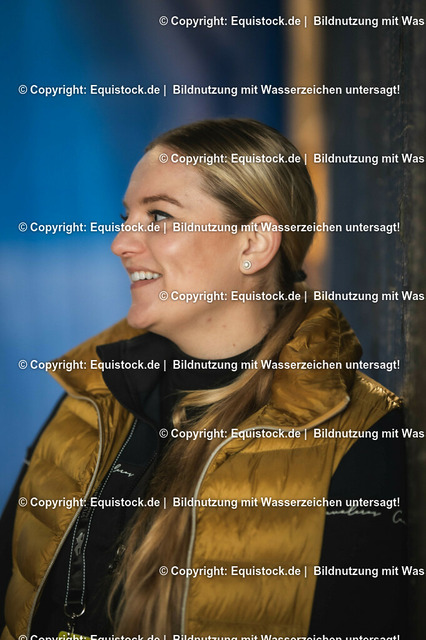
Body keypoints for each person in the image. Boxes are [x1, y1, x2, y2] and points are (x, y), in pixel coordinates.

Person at [1, 119, 407, 639]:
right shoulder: (92, 395)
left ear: (253, 244)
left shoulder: (359, 435)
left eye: (159, 216)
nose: (121, 243)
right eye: (127, 217)